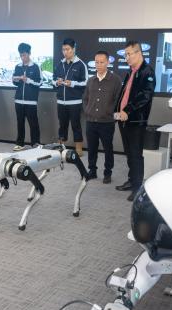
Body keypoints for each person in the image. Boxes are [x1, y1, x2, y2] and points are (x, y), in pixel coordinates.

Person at [114, 40, 155, 201]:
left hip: (136, 121)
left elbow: (145, 96)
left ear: (139, 53)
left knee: (136, 154)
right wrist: (117, 110)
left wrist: (128, 110)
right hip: (123, 119)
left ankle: (138, 187)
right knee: (129, 153)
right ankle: (131, 181)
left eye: (129, 54)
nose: (126, 58)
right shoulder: (130, 71)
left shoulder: (147, 72)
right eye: (125, 55)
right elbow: (123, 94)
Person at [82, 51, 122, 184]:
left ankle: (107, 172)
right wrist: (87, 111)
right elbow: (85, 99)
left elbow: (118, 100)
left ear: (108, 62)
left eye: (102, 62)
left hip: (107, 122)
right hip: (91, 121)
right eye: (96, 62)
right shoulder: (90, 80)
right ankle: (92, 171)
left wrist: (111, 114)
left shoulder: (115, 80)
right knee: (91, 148)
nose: (98, 65)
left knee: (108, 148)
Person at [53, 38, 88, 156]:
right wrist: (56, 82)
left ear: (73, 49)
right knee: (62, 125)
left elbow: (85, 83)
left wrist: (72, 83)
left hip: (74, 102)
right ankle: (61, 147)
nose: (65, 52)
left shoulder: (81, 64)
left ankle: (78, 149)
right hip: (60, 101)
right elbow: (53, 80)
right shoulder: (60, 64)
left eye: (67, 49)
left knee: (76, 125)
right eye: (63, 49)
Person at [11, 42, 41, 151]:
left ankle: (35, 143)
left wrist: (27, 80)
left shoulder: (35, 67)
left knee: (33, 124)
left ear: (29, 53)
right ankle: (20, 143)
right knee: (20, 123)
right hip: (18, 100)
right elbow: (14, 82)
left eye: (24, 55)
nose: (22, 57)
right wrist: (16, 79)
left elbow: (39, 82)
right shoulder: (18, 66)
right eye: (21, 55)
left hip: (31, 101)